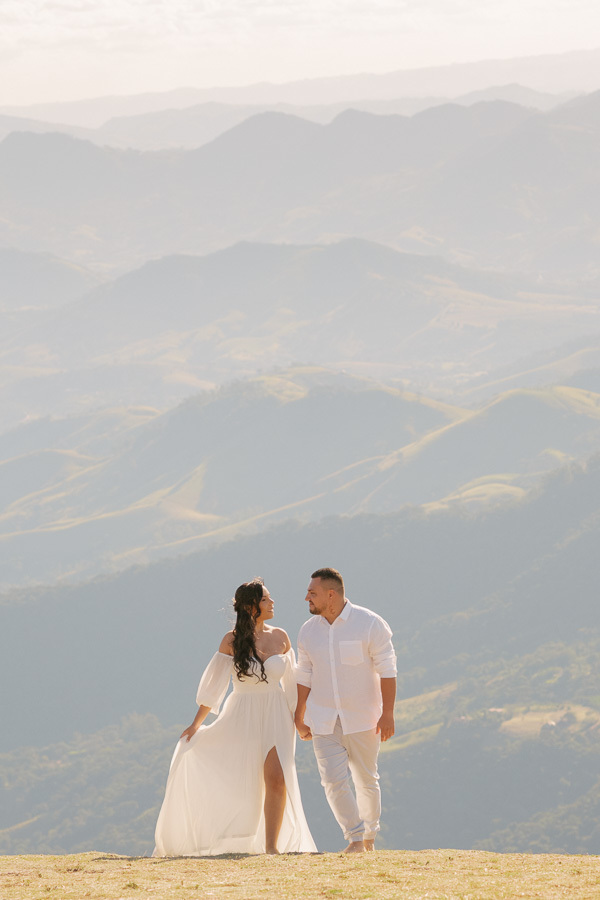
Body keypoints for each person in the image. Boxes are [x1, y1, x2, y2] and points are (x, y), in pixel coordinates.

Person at [153, 578, 316, 856]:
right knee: (243, 779)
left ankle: (271, 847)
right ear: (252, 607)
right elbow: (214, 685)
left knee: (277, 778)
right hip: (242, 713)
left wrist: (299, 718)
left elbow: (291, 684)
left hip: (276, 712)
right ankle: (228, 836)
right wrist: (196, 723)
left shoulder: (281, 637)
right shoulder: (231, 640)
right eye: (266, 599)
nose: (273, 602)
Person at [295, 567, 397, 853]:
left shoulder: (370, 623)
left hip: (364, 718)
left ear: (331, 594)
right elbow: (304, 674)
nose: (306, 598)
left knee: (366, 780)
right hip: (322, 719)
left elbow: (388, 669)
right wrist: (298, 714)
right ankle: (354, 838)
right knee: (331, 781)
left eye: (312, 593)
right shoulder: (307, 631)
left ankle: (369, 838)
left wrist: (387, 713)